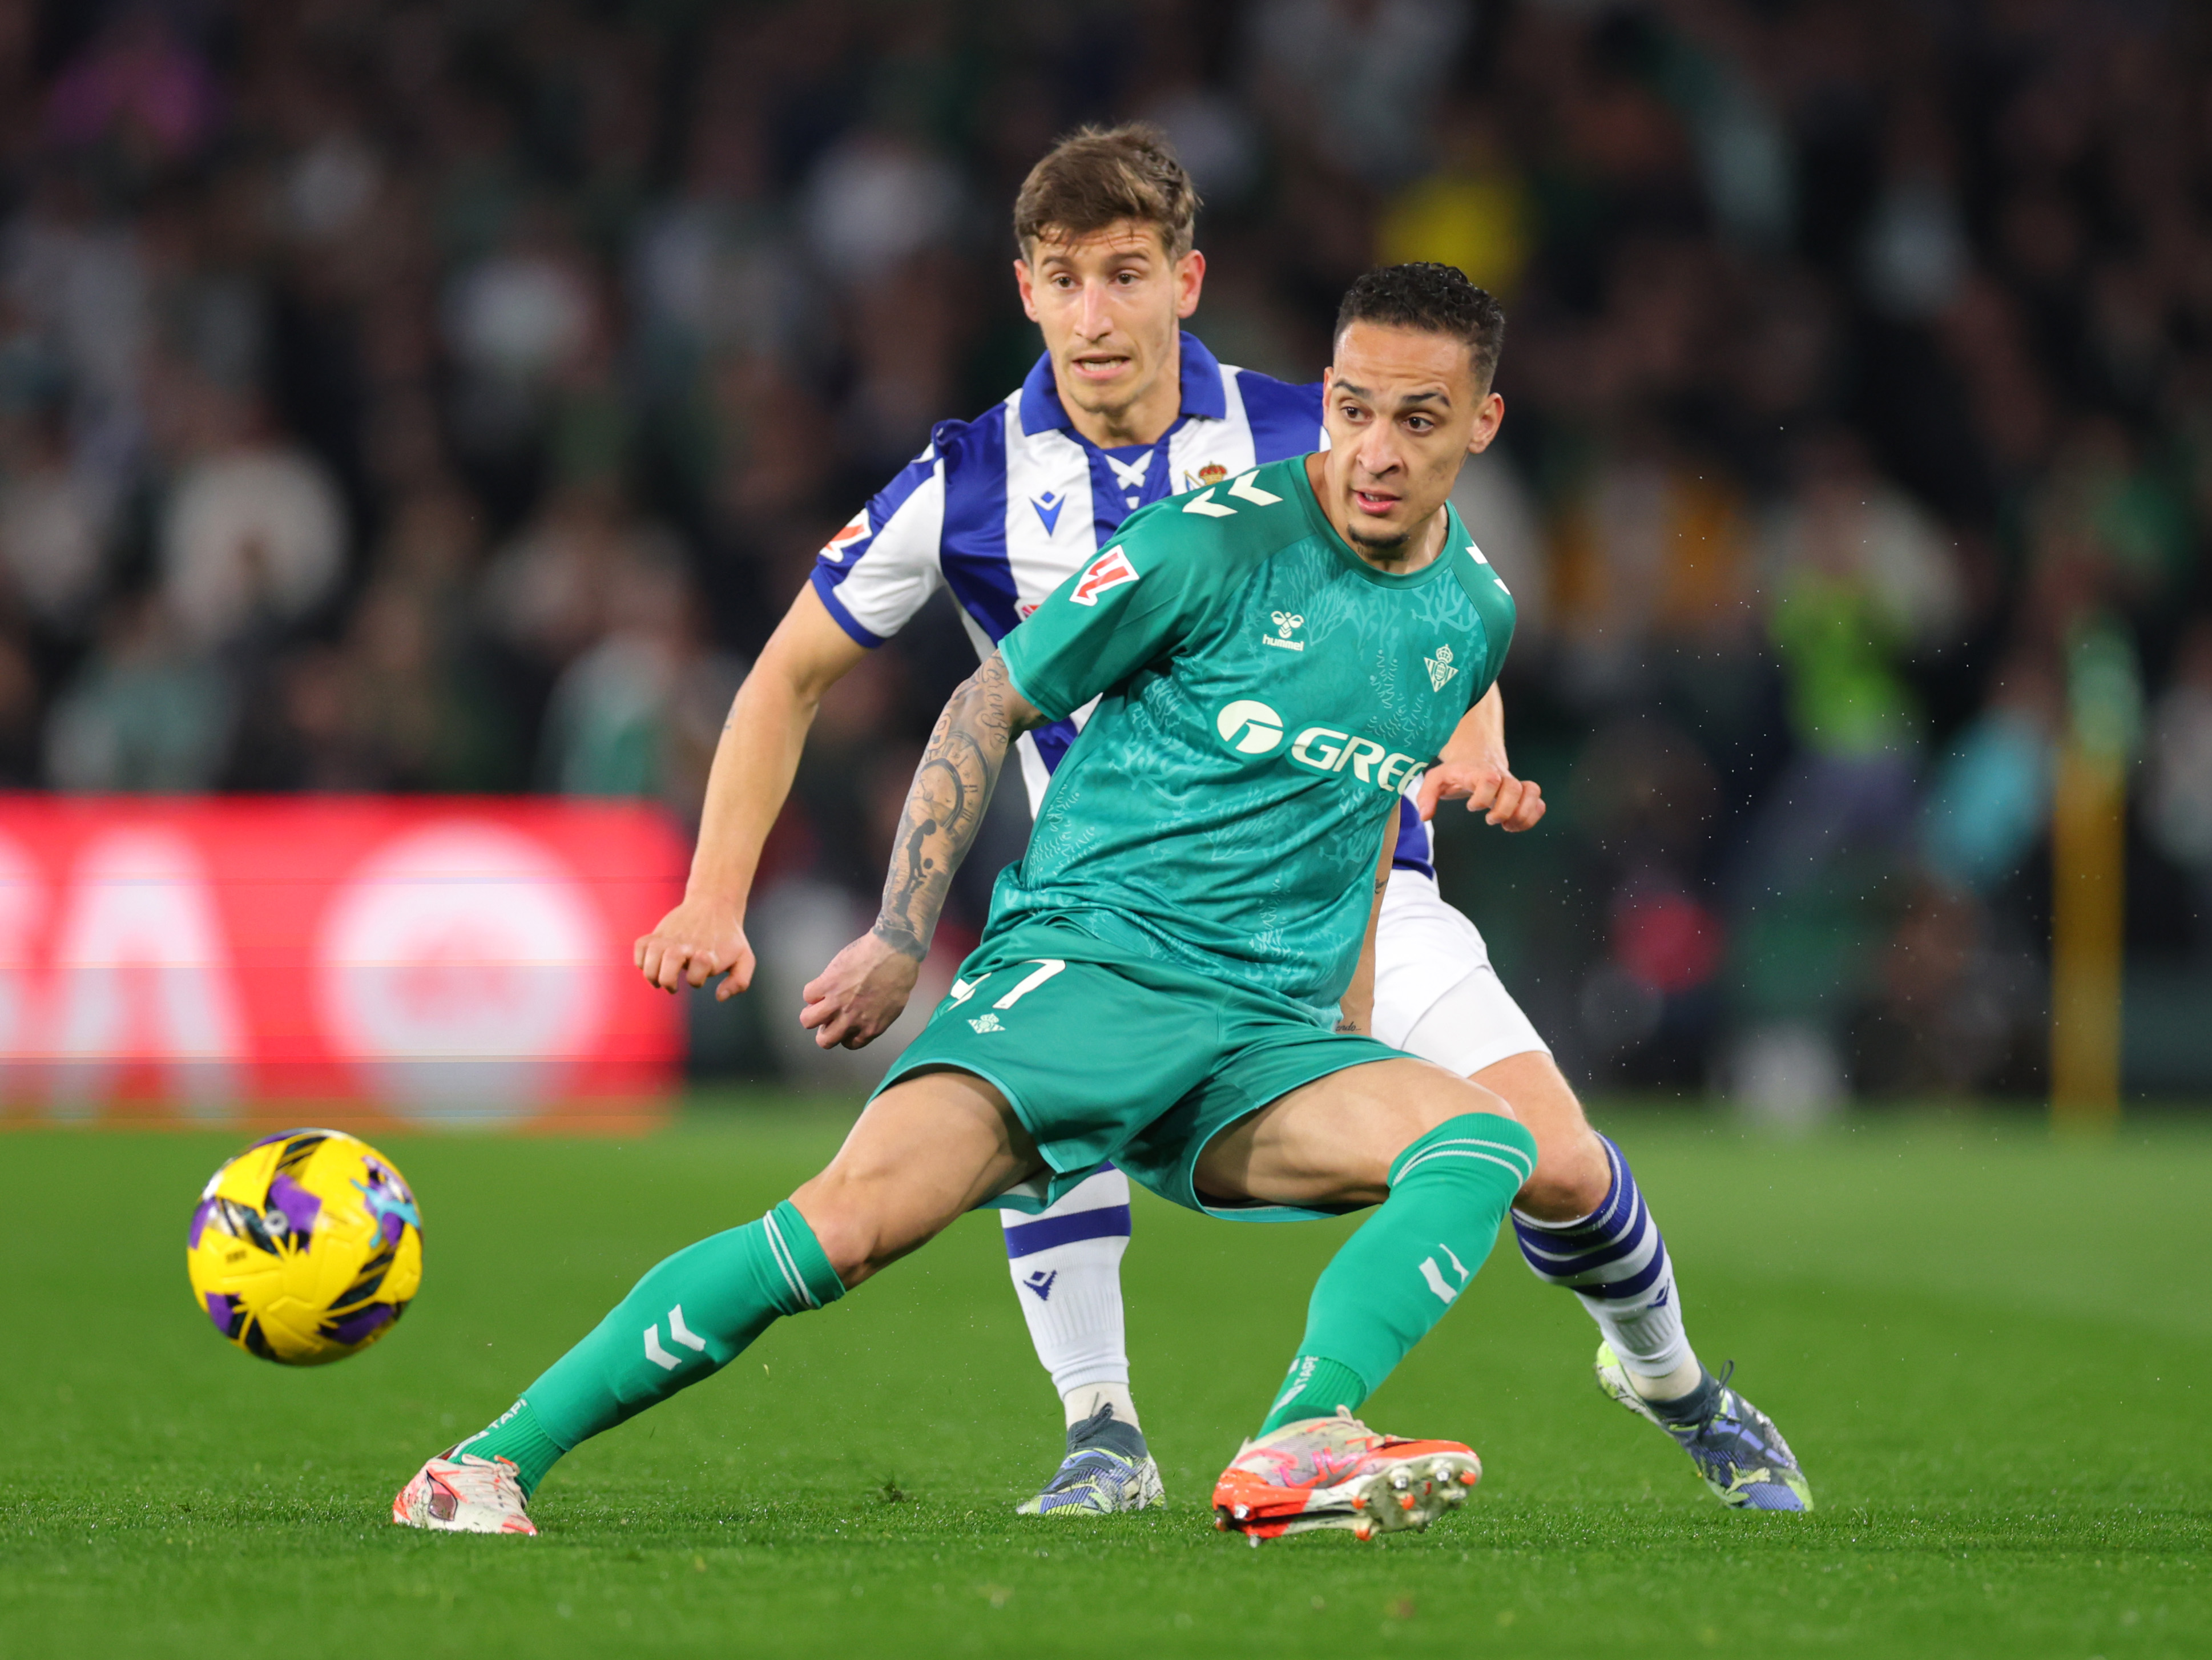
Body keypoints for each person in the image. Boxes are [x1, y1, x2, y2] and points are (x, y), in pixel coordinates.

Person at [648, 127, 1807, 1516]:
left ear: (1183, 282)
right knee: (1036, 1101)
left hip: (1359, 886)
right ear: (1024, 289)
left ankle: (1671, 1380)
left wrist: (1474, 746)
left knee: (1553, 1162)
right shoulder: (967, 479)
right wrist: (716, 893)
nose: (1096, 313)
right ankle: (1103, 1428)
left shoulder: (1315, 423)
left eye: (1124, 274)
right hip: (1117, 913)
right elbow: (788, 670)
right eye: (1065, 278)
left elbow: (1453, 600)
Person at [398, 262, 1537, 1542]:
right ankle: (481, 1463)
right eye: (1357, 411)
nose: (1378, 451)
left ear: (1480, 425)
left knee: (1486, 1142)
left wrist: (1348, 1021)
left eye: (1420, 421)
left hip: (1256, 1042)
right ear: (1324, 396)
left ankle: (1295, 1438)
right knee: (841, 1230)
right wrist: (901, 933)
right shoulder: (1207, 540)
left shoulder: (1475, 615)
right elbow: (986, 701)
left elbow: (1357, 837)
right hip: (1090, 980)